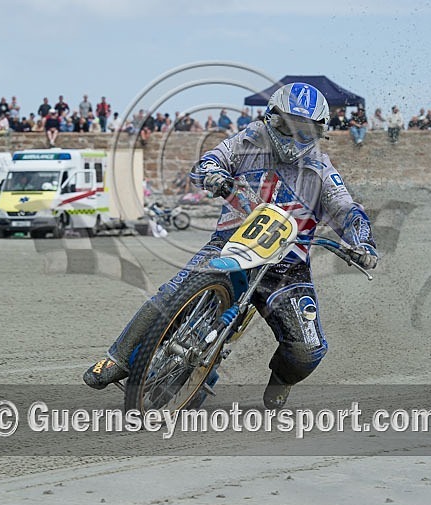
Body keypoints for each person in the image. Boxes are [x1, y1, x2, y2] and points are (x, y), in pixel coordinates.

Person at [83, 82, 379, 409]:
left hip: (286, 267)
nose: (293, 137)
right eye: (286, 125)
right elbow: (214, 158)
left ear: (320, 132)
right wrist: (212, 173)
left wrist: (362, 240)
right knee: (171, 291)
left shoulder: (323, 171)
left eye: (304, 130)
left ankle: (281, 378)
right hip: (230, 243)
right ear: (271, 118)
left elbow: (346, 208)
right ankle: (118, 358)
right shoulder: (250, 139)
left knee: (307, 351)